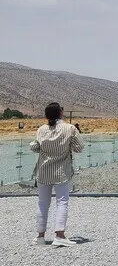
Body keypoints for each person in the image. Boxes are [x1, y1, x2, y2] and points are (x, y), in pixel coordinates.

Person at [29, 102, 85, 247]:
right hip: (61, 172)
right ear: (61, 112)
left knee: (42, 203)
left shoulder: (41, 129)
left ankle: (40, 236)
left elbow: (35, 147)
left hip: (43, 172)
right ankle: (59, 235)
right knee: (62, 202)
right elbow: (79, 148)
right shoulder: (70, 128)